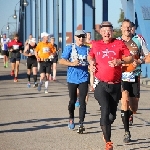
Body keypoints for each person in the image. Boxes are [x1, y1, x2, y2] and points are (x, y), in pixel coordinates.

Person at [88, 21, 133, 150]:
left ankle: (106, 128)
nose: (107, 33)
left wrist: (120, 60)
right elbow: (90, 56)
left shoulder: (119, 43)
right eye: (104, 31)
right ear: (101, 33)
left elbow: (130, 58)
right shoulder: (96, 44)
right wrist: (91, 62)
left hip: (115, 85)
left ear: (113, 32)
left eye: (109, 31)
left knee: (112, 115)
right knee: (105, 109)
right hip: (100, 84)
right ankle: (108, 142)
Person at [119, 19, 150, 143]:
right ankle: (127, 132)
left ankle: (130, 113)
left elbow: (148, 56)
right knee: (124, 100)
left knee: (134, 106)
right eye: (124, 27)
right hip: (121, 76)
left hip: (135, 75)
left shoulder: (137, 40)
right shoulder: (117, 42)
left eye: (129, 27)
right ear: (121, 28)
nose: (127, 29)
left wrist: (140, 61)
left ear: (131, 28)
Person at [59, 30, 89, 133]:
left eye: (83, 36)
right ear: (75, 37)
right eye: (79, 36)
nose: (81, 38)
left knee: (83, 101)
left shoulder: (88, 49)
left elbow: (93, 62)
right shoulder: (70, 48)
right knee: (72, 100)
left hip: (84, 78)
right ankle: (71, 117)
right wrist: (72, 63)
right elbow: (61, 60)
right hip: (72, 78)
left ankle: (81, 123)